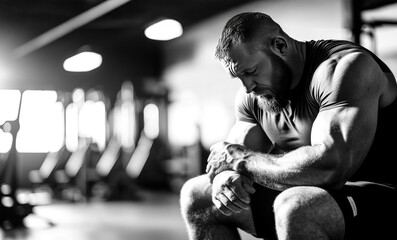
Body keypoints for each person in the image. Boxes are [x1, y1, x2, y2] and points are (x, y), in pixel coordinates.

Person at [179, 12, 397, 240]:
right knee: (197, 195)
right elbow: (231, 157)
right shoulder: (254, 97)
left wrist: (241, 161)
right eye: (239, 78)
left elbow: (332, 168)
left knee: (296, 205)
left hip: (381, 193)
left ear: (280, 46)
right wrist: (225, 179)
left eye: (251, 72)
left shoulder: (344, 69)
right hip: (317, 192)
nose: (247, 88)